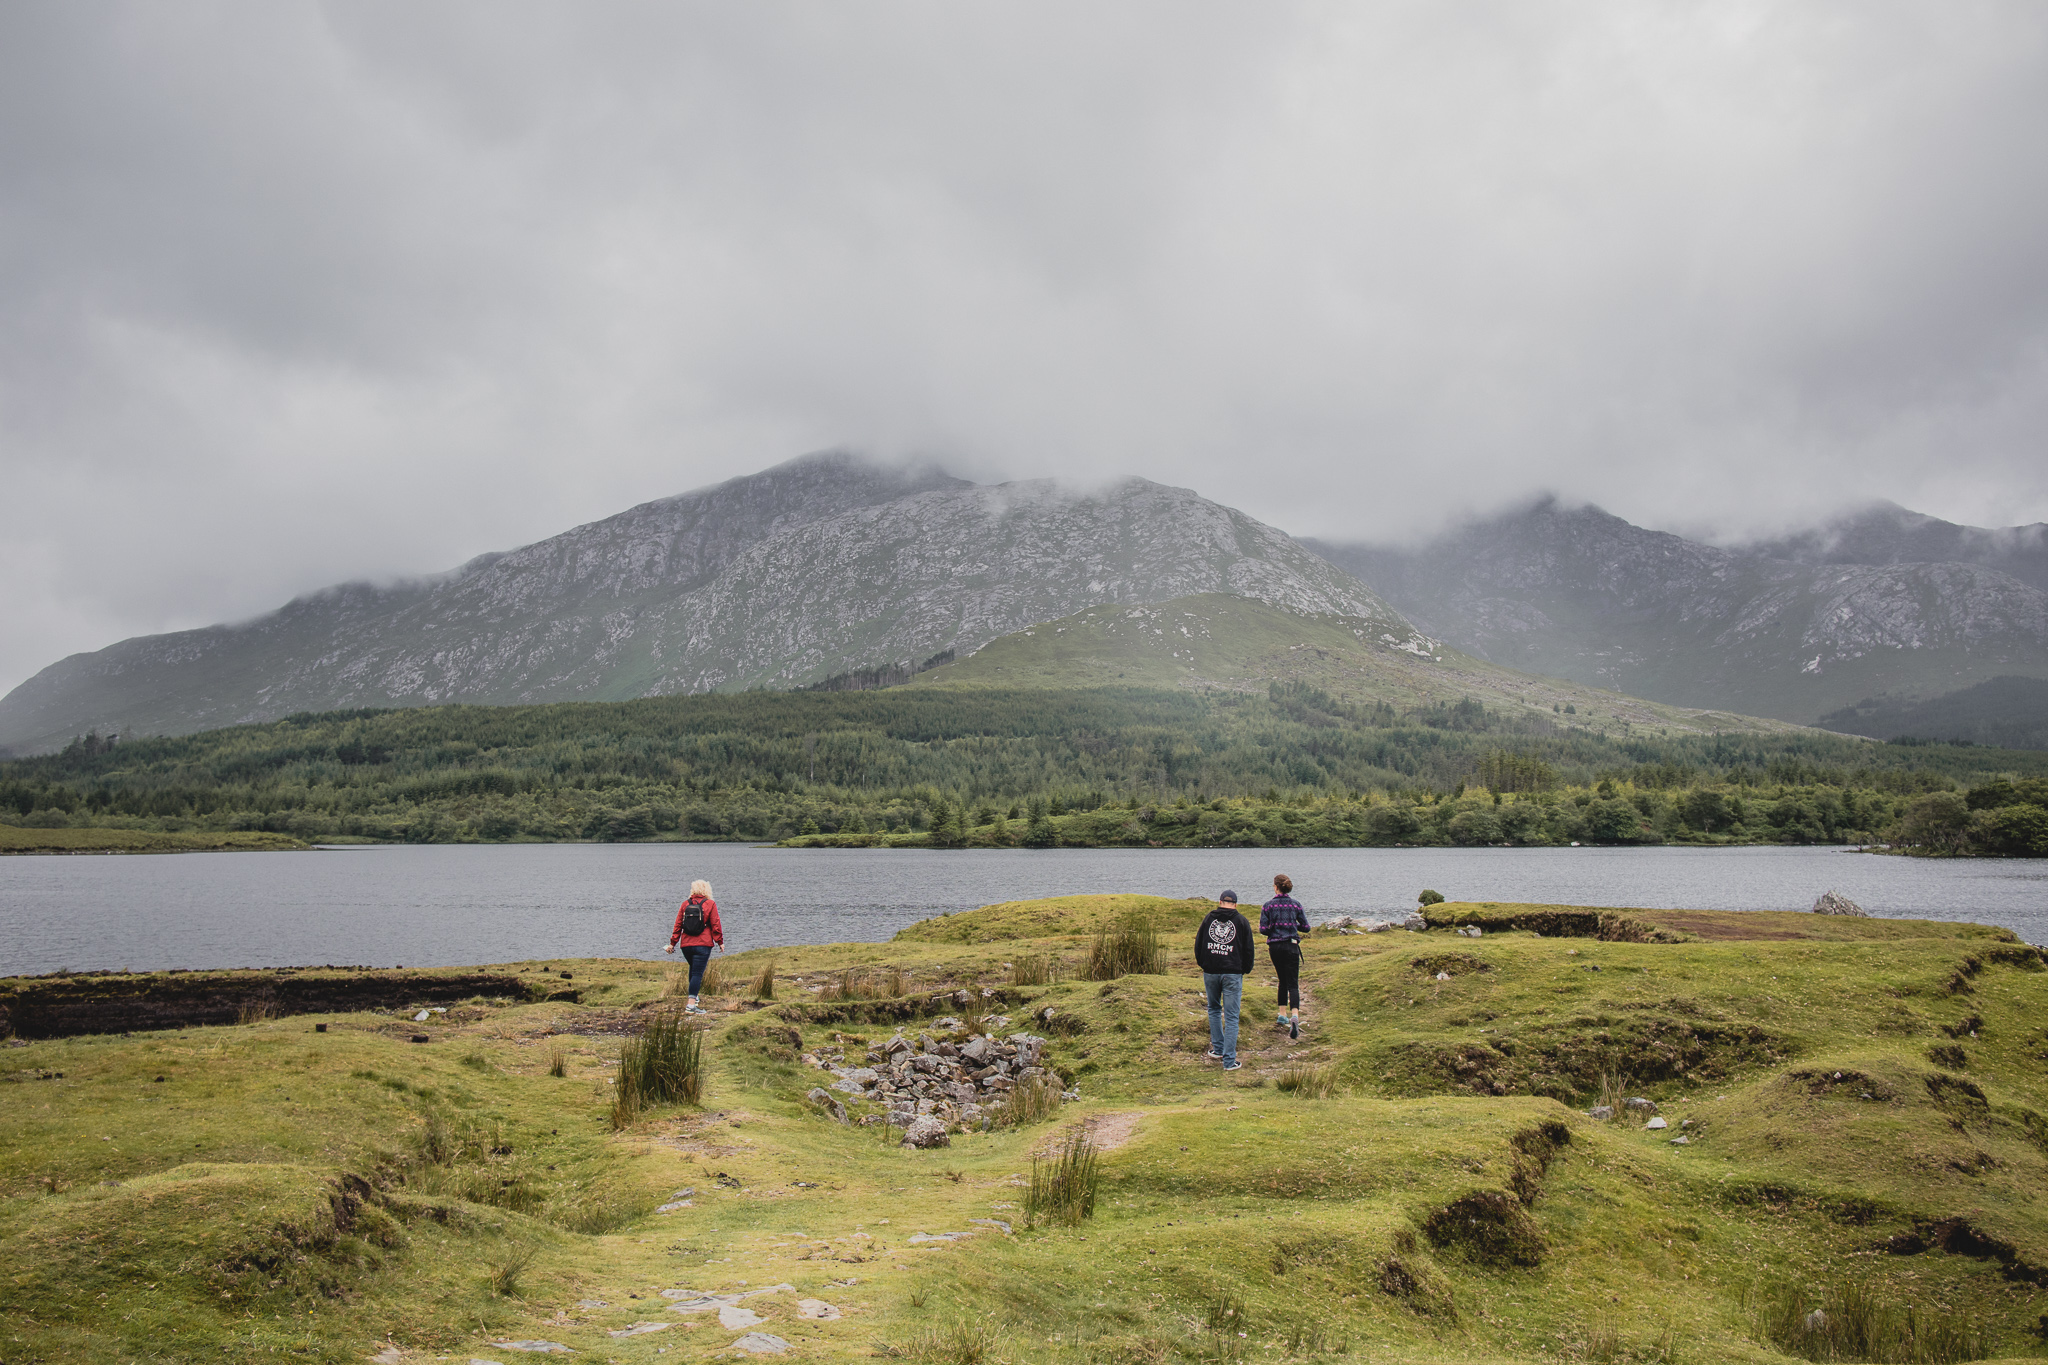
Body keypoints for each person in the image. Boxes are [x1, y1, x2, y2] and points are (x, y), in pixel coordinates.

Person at [1194, 889, 1256, 1070]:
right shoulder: (1242, 921)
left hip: (1211, 971)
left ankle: (1218, 1049)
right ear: (1235, 904)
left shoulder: (1208, 919)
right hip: (1232, 973)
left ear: (1220, 902)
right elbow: (1249, 949)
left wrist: (1204, 964)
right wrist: (1245, 969)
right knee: (1231, 1017)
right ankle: (1229, 1061)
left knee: (1213, 1009)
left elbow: (1199, 943)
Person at [1261, 873, 1311, 1040]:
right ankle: (1295, 1014)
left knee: (1281, 979)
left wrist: (1274, 928)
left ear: (1275, 887)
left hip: (1275, 946)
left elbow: (1263, 929)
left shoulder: (1268, 906)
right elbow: (1306, 927)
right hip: (1291, 945)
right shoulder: (1296, 905)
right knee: (1293, 982)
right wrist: (1292, 925)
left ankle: (1282, 1014)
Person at [664, 879, 724, 1014]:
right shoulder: (710, 904)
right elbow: (715, 925)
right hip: (703, 945)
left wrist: (672, 943)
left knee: (693, 969)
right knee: (697, 973)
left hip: (686, 945)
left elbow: (678, 925)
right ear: (707, 890)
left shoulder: (685, 904)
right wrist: (720, 942)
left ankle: (694, 997)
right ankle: (691, 1006)